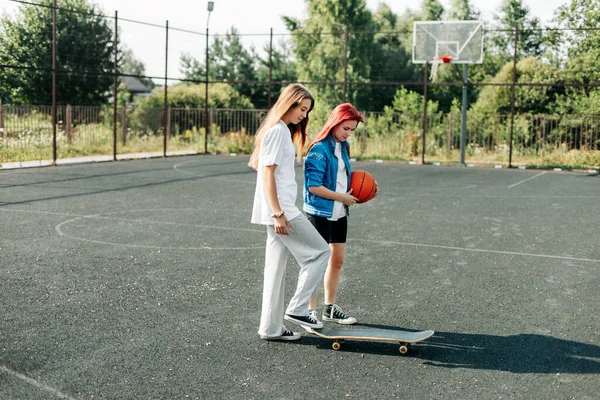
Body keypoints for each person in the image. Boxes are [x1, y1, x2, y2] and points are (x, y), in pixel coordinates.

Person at [249, 83, 331, 341]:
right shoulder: (277, 132)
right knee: (320, 252)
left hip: (279, 209)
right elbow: (268, 175)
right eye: (302, 108)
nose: (304, 115)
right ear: (289, 103)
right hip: (282, 210)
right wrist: (277, 213)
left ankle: (270, 328)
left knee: (275, 270)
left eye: (307, 111)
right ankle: (297, 309)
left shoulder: (281, 131)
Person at [303, 103, 365, 325]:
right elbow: (313, 187)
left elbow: (342, 179)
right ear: (335, 122)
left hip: (339, 211)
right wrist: (342, 197)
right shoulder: (319, 149)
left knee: (337, 260)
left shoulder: (343, 146)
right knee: (316, 262)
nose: (348, 133)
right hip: (319, 212)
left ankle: (329, 308)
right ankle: (309, 311)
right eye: (346, 128)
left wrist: (362, 191)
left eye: (352, 130)